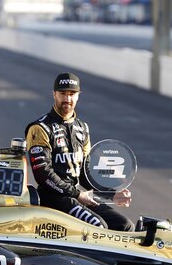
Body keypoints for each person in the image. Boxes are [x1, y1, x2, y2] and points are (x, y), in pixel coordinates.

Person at [25, 72, 135, 231]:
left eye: (72, 94)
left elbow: (85, 173)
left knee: (124, 225)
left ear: (78, 96)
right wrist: (77, 194)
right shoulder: (40, 128)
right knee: (98, 227)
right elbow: (42, 174)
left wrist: (111, 194)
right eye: (63, 93)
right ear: (54, 94)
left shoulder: (82, 128)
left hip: (75, 196)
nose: (67, 99)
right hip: (52, 198)